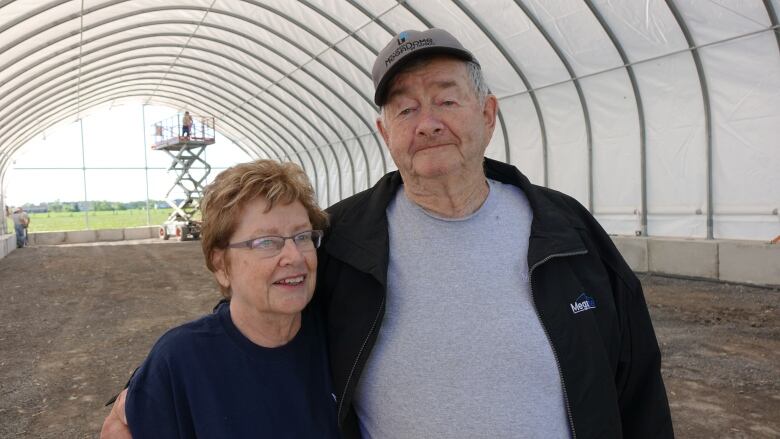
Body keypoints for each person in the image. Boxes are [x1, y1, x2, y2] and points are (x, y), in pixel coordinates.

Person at [104, 28, 673, 438]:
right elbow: (258, 311)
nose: (427, 122)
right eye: (404, 110)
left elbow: (639, 386)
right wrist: (146, 389)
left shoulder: (566, 230)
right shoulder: (347, 238)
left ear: (488, 113)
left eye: (447, 99)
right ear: (384, 131)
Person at [107, 160, 339, 438]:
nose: (295, 256)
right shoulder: (182, 360)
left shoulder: (342, 339)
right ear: (221, 265)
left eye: (302, 237)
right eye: (266, 242)